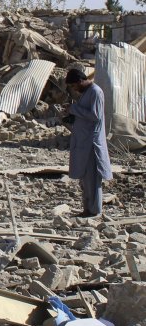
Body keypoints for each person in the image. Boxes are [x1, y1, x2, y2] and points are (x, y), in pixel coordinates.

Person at [65, 68, 112, 217]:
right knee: (85, 180)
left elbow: (95, 115)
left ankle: (94, 210)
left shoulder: (96, 92)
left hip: (91, 143)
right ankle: (87, 209)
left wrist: (74, 109)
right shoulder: (86, 93)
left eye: (74, 86)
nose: (74, 89)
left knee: (92, 179)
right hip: (83, 143)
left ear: (79, 81)